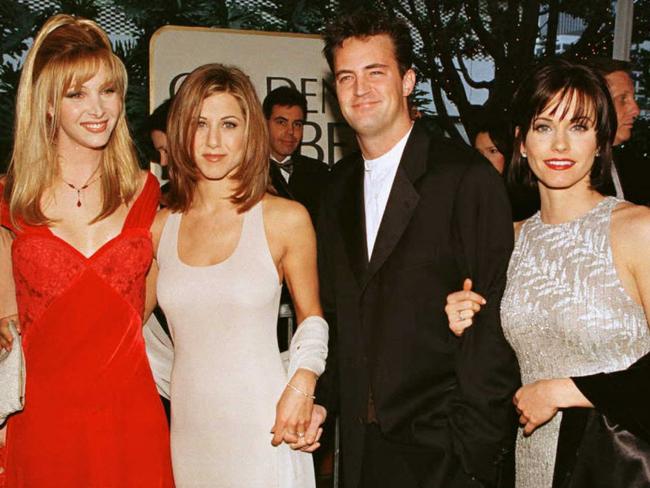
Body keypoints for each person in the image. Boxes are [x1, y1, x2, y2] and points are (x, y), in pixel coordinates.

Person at [315, 11, 520, 488]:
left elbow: (496, 320)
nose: (360, 89)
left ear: (407, 81)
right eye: (347, 76)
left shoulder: (464, 178)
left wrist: (473, 450)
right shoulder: (335, 190)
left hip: (443, 452)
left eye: (376, 72)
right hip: (362, 452)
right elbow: (337, 315)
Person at [445, 58, 650, 487]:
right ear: (521, 142)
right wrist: (465, 326)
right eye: (543, 127)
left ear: (601, 141)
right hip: (532, 462)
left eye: (578, 126)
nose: (560, 145)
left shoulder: (638, 230)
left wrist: (565, 390)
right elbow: (500, 369)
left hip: (620, 467)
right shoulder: (509, 242)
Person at [0, 14, 173, 487]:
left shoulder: (145, 191)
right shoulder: (10, 199)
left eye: (108, 90)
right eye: (77, 94)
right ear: (49, 105)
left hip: (131, 417)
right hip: (44, 422)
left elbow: (153, 301)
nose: (98, 108)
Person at [149, 63, 328, 487]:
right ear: (181, 132)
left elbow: (313, 319)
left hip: (266, 424)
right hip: (190, 431)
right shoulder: (159, 227)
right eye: (200, 124)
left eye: (228, 124)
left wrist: (303, 384)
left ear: (249, 132)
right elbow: (124, 326)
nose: (213, 141)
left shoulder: (285, 218)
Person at [585, 57, 648, 205]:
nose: (636, 110)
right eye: (622, 99)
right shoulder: (567, 170)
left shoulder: (632, 167)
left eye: (633, 98)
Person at [263, 86, 329, 225]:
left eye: (297, 124)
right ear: (264, 124)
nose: (290, 132)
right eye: (281, 122)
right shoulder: (248, 173)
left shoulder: (320, 173)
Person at [471, 109, 539, 221]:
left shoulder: (531, 200)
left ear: (510, 153)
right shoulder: (473, 195)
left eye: (493, 151)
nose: (483, 159)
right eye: (478, 153)